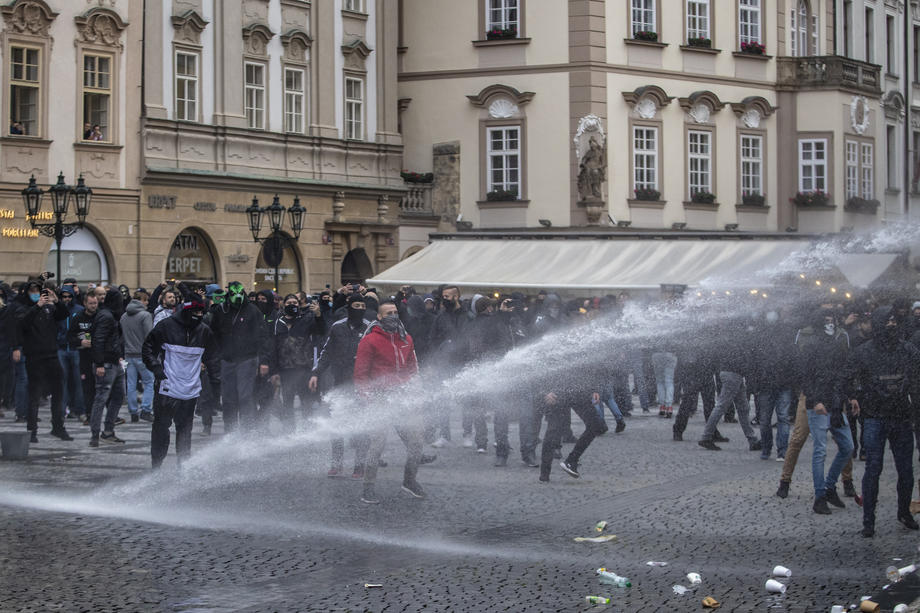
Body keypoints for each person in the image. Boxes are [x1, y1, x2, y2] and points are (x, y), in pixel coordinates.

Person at [843, 306, 920, 537]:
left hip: (900, 416)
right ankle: (869, 520)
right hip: (875, 416)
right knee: (873, 469)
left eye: (894, 321)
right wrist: (855, 396)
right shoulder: (864, 352)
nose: (892, 325)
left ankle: (903, 512)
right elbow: (847, 377)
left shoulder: (907, 350)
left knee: (905, 470)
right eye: (887, 321)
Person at [355, 300, 425, 504]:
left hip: (402, 398)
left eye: (395, 312)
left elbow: (412, 368)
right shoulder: (369, 341)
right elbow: (360, 373)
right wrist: (366, 398)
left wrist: (415, 391)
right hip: (379, 398)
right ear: (379, 317)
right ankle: (367, 488)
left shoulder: (406, 338)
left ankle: (409, 481)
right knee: (377, 444)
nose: (393, 316)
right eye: (388, 313)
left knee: (416, 441)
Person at [143, 295, 220, 467]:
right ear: (186, 310)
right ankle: (157, 464)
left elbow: (213, 358)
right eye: (196, 311)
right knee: (161, 427)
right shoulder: (166, 326)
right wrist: (156, 369)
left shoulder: (204, 331)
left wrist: (216, 384)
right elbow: (148, 348)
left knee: (185, 430)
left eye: (202, 311)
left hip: (190, 390)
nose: (199, 315)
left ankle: (183, 466)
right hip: (166, 388)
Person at [796, 307, 855, 515]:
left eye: (832, 320)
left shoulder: (838, 345)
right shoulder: (811, 346)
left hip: (835, 404)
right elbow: (805, 376)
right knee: (820, 450)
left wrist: (849, 397)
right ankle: (820, 496)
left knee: (848, 446)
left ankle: (829, 486)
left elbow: (842, 374)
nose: (830, 324)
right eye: (826, 321)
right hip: (819, 405)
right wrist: (814, 401)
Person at [310, 293, 372, 478]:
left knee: (361, 425)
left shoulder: (370, 328)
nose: (359, 309)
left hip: (362, 384)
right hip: (340, 382)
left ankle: (359, 465)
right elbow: (326, 352)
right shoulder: (337, 327)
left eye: (362, 306)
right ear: (349, 306)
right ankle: (336, 463)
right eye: (356, 305)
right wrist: (316, 373)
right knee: (336, 423)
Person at [15, 282, 72, 442]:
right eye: (32, 291)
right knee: (34, 395)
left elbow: (63, 314)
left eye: (38, 291)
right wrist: (37, 306)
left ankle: (58, 427)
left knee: (59, 392)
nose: (36, 294)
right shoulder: (23, 307)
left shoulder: (49, 308)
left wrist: (56, 301)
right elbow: (22, 324)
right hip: (34, 357)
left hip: (51, 354)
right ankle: (31, 430)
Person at [209, 281, 268, 431]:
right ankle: (230, 431)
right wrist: (217, 355)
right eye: (234, 294)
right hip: (227, 359)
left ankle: (246, 432)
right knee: (228, 398)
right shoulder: (221, 311)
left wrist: (263, 360)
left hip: (247, 358)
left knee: (245, 397)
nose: (237, 296)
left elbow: (263, 336)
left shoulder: (253, 311)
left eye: (240, 293)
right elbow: (213, 334)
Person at [266, 294, 324, 427]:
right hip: (285, 370)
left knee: (306, 401)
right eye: (289, 302)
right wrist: (274, 371)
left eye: (295, 303)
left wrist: (318, 315)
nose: (292, 305)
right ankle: (289, 430)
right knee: (287, 401)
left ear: (299, 305)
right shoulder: (277, 322)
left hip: (303, 368)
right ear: (284, 305)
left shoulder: (307, 319)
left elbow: (321, 330)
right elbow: (273, 348)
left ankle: (308, 429)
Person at [88, 288, 126, 446]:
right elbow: (98, 340)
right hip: (107, 363)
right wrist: (99, 364)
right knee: (101, 398)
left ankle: (108, 431)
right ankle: (96, 434)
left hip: (114, 361)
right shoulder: (106, 316)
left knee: (118, 396)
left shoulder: (109, 315)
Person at [121, 290, 155, 422]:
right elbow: (149, 335)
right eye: (146, 300)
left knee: (131, 385)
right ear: (141, 300)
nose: (147, 303)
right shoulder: (145, 315)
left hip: (128, 354)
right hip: (142, 354)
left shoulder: (124, 316)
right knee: (149, 382)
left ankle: (133, 412)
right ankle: (146, 410)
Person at [56, 284, 86, 421]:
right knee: (63, 381)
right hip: (62, 348)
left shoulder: (79, 310)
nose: (66, 299)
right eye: (64, 296)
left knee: (78, 381)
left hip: (76, 349)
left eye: (69, 296)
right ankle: (62, 410)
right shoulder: (57, 310)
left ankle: (79, 409)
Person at [68, 292, 99, 422]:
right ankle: (88, 413)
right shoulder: (78, 317)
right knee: (87, 386)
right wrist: (80, 342)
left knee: (103, 387)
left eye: (95, 303)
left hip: (99, 355)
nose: (93, 306)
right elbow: (70, 336)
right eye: (91, 303)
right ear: (85, 303)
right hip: (84, 355)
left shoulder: (101, 316)